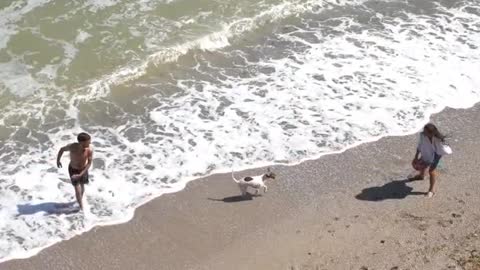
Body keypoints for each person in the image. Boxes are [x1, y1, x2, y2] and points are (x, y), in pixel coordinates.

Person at [56, 133, 93, 210]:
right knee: (77, 188)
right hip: (73, 169)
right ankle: (81, 206)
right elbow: (62, 149)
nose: (90, 143)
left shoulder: (89, 149)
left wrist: (81, 174)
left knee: (82, 186)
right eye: (88, 142)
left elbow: (89, 163)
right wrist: (58, 160)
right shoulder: (72, 147)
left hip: (83, 169)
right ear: (82, 142)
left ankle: (80, 199)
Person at [410, 123, 448, 198]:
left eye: (425, 132)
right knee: (417, 164)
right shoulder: (422, 135)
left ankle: (431, 190)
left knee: (431, 171)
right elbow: (420, 145)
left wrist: (433, 161)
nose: (423, 132)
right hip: (426, 152)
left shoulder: (438, 140)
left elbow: (440, 151)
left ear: (432, 133)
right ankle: (421, 176)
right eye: (424, 131)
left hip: (436, 155)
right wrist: (416, 156)